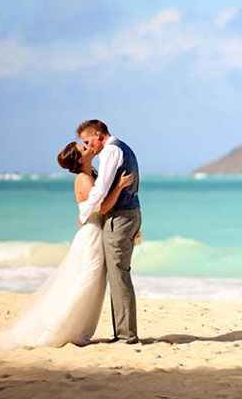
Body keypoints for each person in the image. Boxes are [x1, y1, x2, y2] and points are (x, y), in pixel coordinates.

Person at [0, 141, 134, 348]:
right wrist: (120, 187)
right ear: (79, 159)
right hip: (91, 236)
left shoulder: (92, 174)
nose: (88, 148)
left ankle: (77, 328)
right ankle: (59, 328)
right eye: (83, 149)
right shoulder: (84, 179)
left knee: (93, 283)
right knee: (87, 280)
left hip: (95, 232)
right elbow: (102, 208)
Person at [76, 119, 142, 344]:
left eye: (87, 141)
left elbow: (101, 188)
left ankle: (126, 335)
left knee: (118, 274)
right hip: (128, 213)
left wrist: (84, 213)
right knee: (118, 273)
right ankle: (123, 332)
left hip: (120, 216)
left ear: (98, 134)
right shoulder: (121, 147)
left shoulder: (111, 151)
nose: (88, 146)